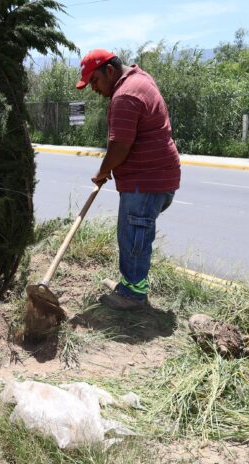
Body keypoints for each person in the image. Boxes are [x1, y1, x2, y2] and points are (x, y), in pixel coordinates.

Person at [75, 49, 181, 310]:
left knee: (134, 236)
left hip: (146, 182)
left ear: (110, 70)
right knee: (133, 233)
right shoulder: (140, 78)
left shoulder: (125, 96)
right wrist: (110, 168)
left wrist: (102, 171)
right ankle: (129, 283)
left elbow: (120, 145)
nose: (94, 89)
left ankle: (132, 294)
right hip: (155, 178)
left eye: (95, 81)